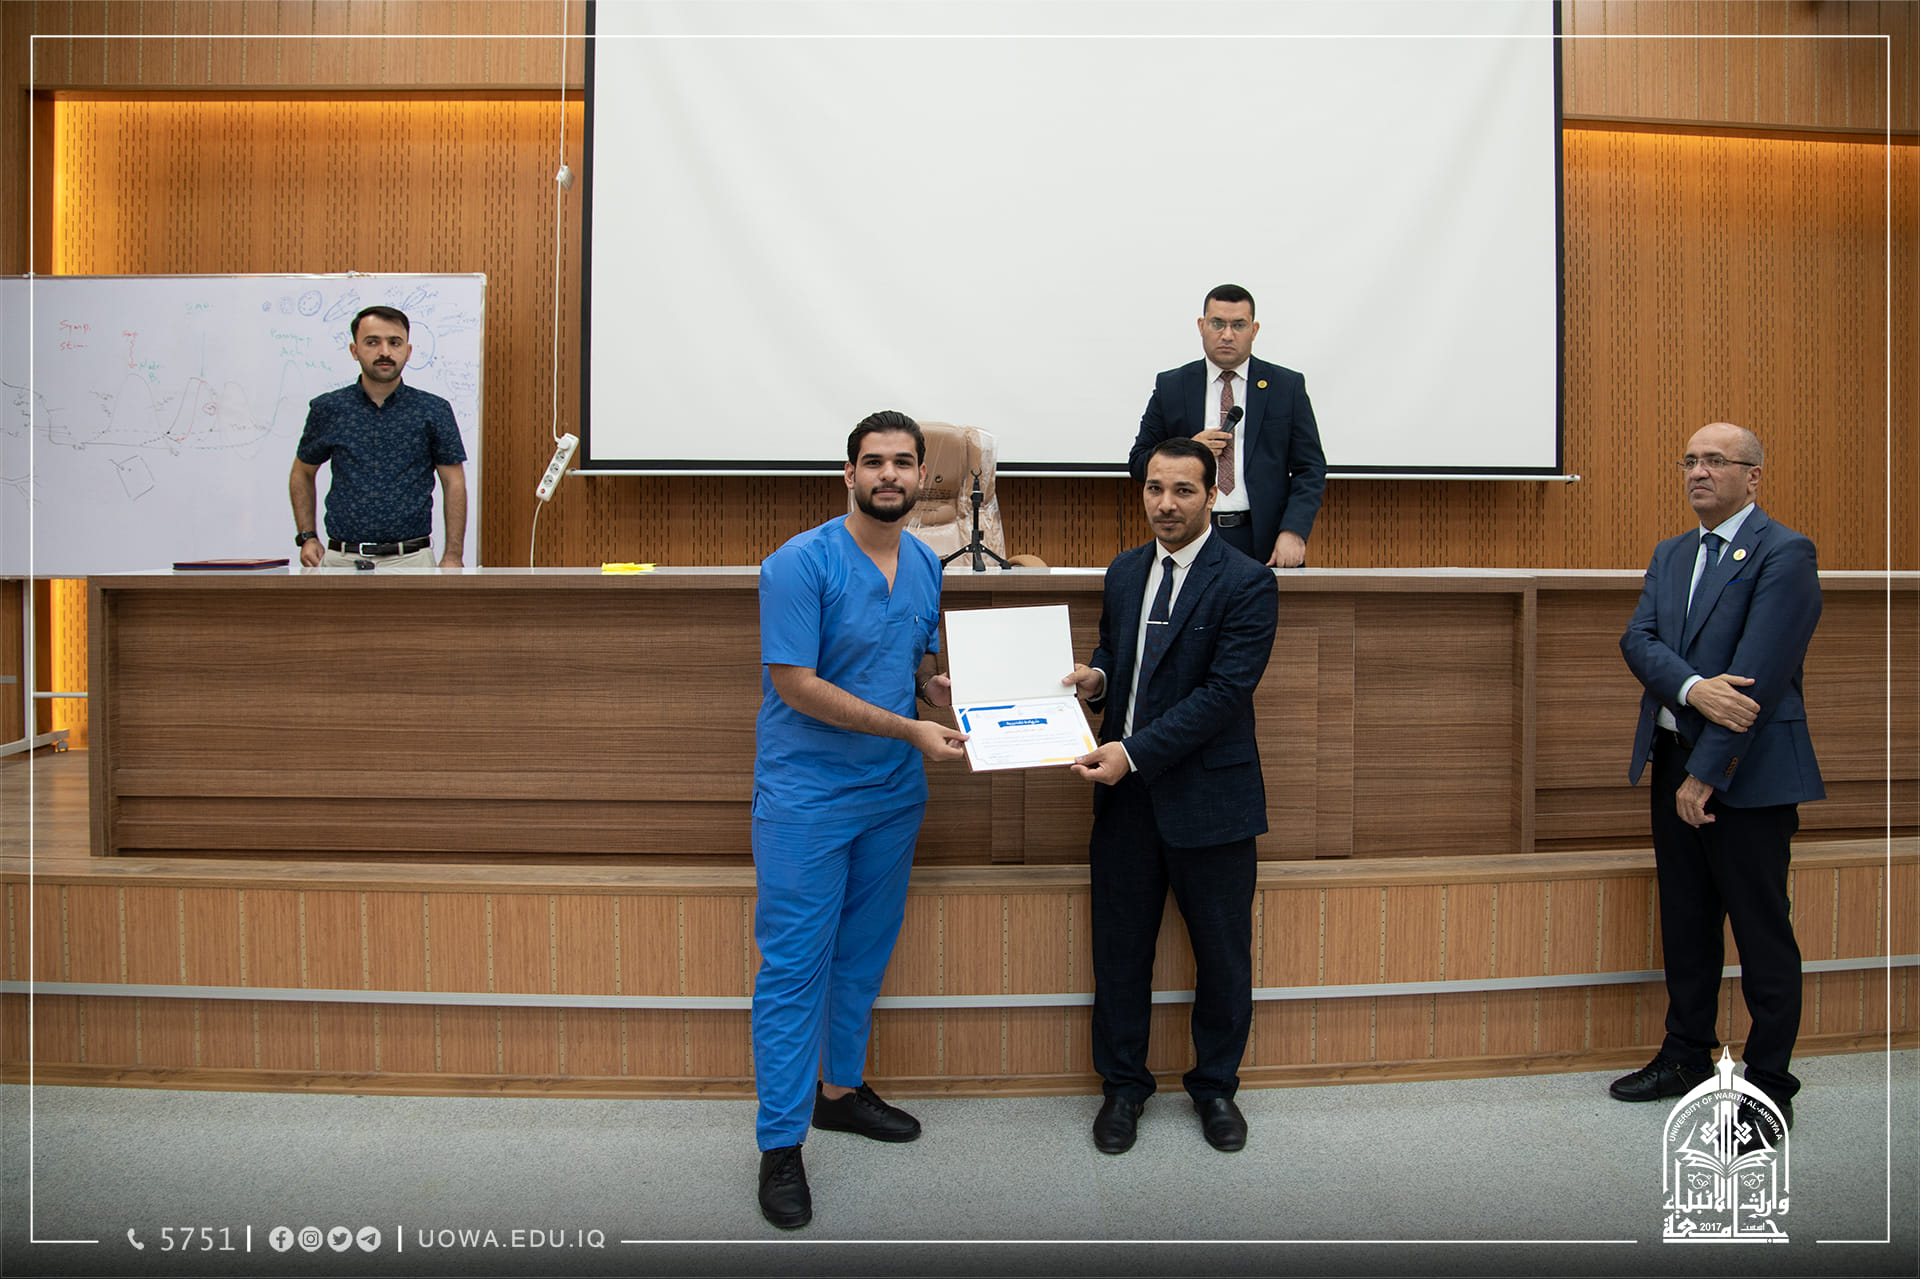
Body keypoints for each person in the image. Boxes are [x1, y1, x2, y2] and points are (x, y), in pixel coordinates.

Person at [749, 410, 970, 1230]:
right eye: (873, 462)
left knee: (862, 957)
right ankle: (780, 1143)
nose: (888, 475)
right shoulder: (798, 564)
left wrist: (934, 691)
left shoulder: (925, 562)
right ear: (849, 474)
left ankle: (838, 1092)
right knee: (793, 970)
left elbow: (909, 668)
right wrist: (910, 728)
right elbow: (797, 684)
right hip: (806, 800)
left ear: (922, 477)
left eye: (903, 462)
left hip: (891, 796)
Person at [1061, 435, 1279, 1156]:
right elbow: (1116, 654)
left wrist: (1132, 752)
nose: (1166, 504)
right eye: (1155, 488)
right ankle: (1123, 1088)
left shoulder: (1247, 581)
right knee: (1120, 955)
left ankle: (1215, 1087)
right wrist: (1096, 679)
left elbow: (1223, 694)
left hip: (1211, 801)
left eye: (1183, 490)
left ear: (1212, 494)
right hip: (1124, 802)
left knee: (1222, 957)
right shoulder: (1125, 571)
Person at [1614, 422, 1822, 1128]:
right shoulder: (1672, 553)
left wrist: (1705, 774)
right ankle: (1685, 1056)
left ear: (1752, 476)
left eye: (1715, 460)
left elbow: (1758, 677)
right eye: (1690, 460)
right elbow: (1638, 639)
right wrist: (1694, 687)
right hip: (1674, 759)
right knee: (1687, 920)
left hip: (1748, 772)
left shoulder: (1785, 552)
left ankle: (1769, 1085)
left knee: (1762, 932)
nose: (1698, 471)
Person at [1127, 284, 1326, 568]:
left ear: (1254, 330)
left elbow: (1310, 468)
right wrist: (1190, 450)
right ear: (1201, 326)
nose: (1227, 335)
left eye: (1239, 325)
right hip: (1192, 536)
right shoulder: (1172, 386)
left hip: (1264, 539)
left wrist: (1293, 531)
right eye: (1217, 324)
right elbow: (1138, 462)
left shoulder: (1286, 386)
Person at [289, 305, 468, 569]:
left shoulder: (433, 410)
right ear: (354, 350)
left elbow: (454, 482)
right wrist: (307, 536)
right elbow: (302, 472)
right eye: (372, 342)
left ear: (408, 351)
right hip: (342, 561)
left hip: (412, 560)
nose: (385, 352)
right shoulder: (329, 408)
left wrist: (453, 555)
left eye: (394, 342)